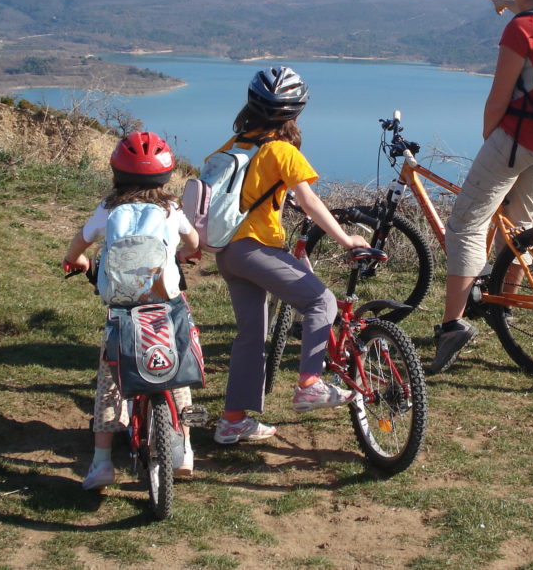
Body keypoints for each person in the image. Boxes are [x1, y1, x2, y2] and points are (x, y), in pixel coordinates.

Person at [427, 0, 533, 375]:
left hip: (518, 141)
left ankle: (452, 326)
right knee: (518, 223)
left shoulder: (520, 30)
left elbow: (498, 97)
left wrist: (490, 140)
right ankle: (507, 306)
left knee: (466, 223)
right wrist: (503, 2)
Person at [208, 66, 370, 445]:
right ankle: (309, 383)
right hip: (255, 250)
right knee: (320, 301)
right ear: (295, 113)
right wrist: (347, 239)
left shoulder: (231, 147)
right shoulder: (283, 151)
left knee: (251, 335)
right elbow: (310, 202)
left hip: (228, 253)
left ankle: (233, 421)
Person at [62, 131, 200, 490]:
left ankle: (102, 462)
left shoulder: (109, 210)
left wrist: (76, 260)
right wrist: (184, 255)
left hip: (123, 308)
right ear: (166, 175)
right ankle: (183, 446)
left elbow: (79, 244)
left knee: (111, 379)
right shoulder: (172, 209)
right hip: (165, 302)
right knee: (178, 366)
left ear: (116, 173)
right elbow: (195, 243)